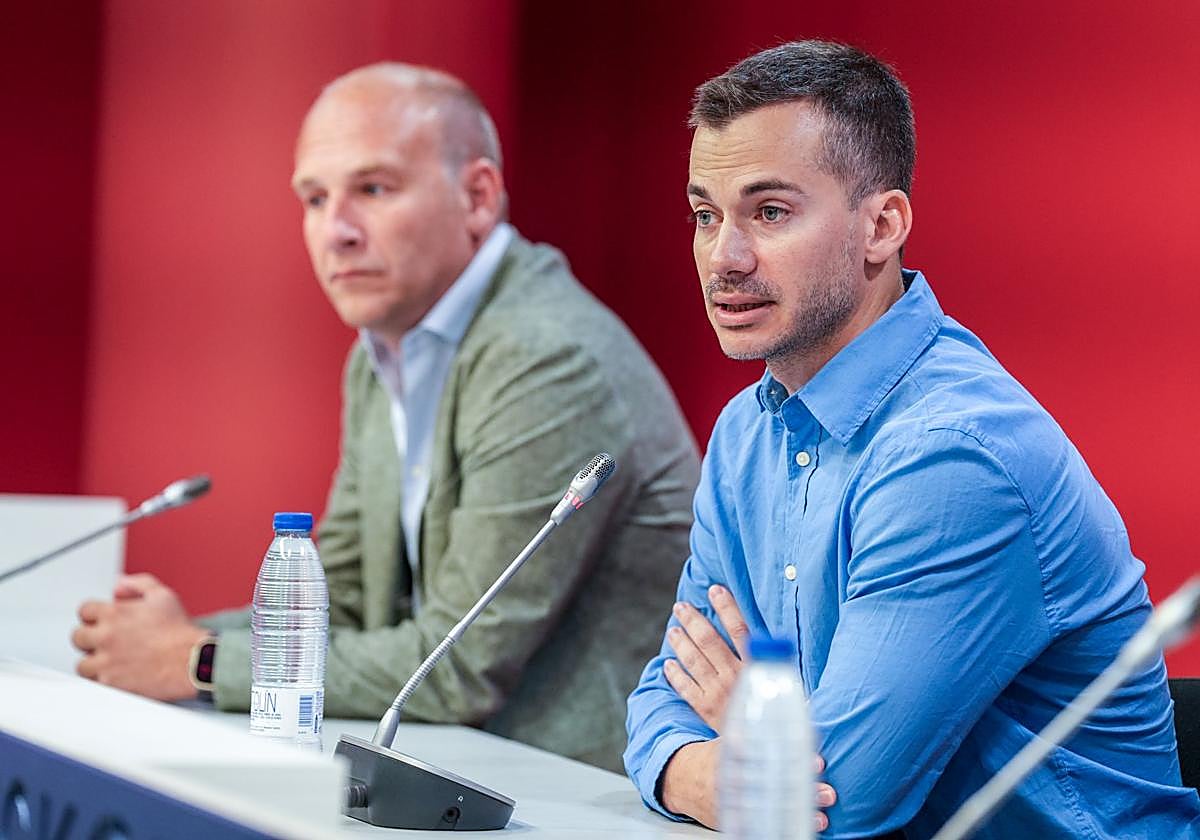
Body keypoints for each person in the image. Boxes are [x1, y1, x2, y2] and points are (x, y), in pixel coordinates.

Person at [624, 40, 1200, 838]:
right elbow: (662, 697)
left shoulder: (953, 453)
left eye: (771, 211)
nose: (726, 256)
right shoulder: (744, 434)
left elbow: (841, 803)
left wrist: (753, 735)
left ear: (882, 226)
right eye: (705, 215)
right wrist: (729, 766)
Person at [71, 63, 700, 773]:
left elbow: (457, 664)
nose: (335, 231)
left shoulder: (547, 357)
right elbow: (335, 596)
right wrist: (147, 641)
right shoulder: (383, 351)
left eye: (372, 189)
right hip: (466, 770)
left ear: (478, 197)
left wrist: (197, 658)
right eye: (313, 198)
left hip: (581, 793)